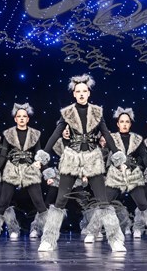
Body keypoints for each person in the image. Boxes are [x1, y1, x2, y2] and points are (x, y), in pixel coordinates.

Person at [39, 74, 122, 253]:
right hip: (72, 157)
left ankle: (116, 240)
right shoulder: (67, 112)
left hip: (92, 157)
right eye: (78, 91)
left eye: (85, 91)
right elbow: (56, 134)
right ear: (74, 94)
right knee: (61, 199)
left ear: (89, 93)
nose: (82, 94)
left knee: (103, 200)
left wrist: (117, 156)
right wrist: (43, 155)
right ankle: (48, 239)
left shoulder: (97, 112)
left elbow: (106, 134)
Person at [0, 103, 50, 240]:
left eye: (24, 116)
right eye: (19, 116)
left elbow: (39, 153)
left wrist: (45, 169)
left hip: (30, 170)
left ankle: (48, 232)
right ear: (15, 119)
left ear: (28, 119)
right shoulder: (8, 134)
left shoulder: (35, 134)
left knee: (39, 203)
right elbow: (3, 155)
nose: (22, 118)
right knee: (3, 202)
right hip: (12, 169)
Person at [102, 107, 147, 240]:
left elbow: (144, 157)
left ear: (130, 124)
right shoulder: (112, 138)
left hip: (133, 174)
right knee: (104, 203)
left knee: (143, 205)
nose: (124, 124)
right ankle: (92, 231)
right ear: (118, 124)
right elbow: (104, 156)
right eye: (122, 121)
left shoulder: (137, 139)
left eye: (127, 121)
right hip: (116, 174)